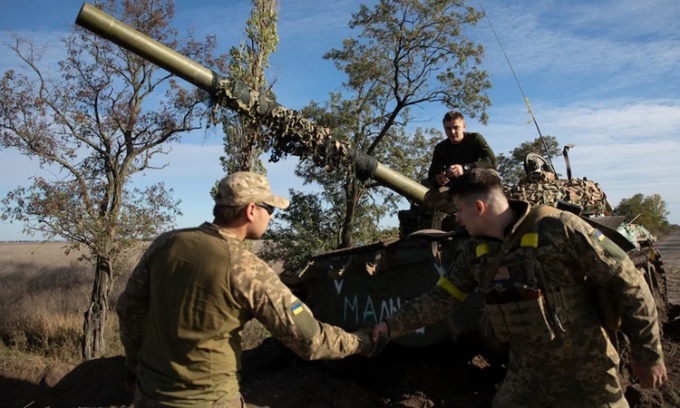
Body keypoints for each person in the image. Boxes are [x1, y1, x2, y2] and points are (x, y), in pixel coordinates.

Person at [372, 168, 666, 407]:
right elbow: (440, 299)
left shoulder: (561, 228)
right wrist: (390, 326)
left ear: (479, 206)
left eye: (459, 210)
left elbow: (629, 285)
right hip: (527, 376)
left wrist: (648, 353)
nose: (457, 218)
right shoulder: (475, 252)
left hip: (587, 375)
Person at [117, 171, 376, 408]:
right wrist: (363, 342)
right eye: (270, 208)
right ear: (251, 210)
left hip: (149, 396)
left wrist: (133, 365)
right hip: (210, 401)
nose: (272, 216)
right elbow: (309, 339)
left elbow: (129, 307)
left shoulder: (167, 243)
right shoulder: (246, 268)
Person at [427, 110, 497, 188]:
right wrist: (438, 178)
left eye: (456, 127)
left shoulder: (475, 139)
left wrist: (464, 168)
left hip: (478, 184)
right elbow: (432, 174)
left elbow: (492, 161)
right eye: (448, 128)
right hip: (455, 188)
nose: (452, 132)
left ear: (464, 126)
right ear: (444, 128)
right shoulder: (440, 148)